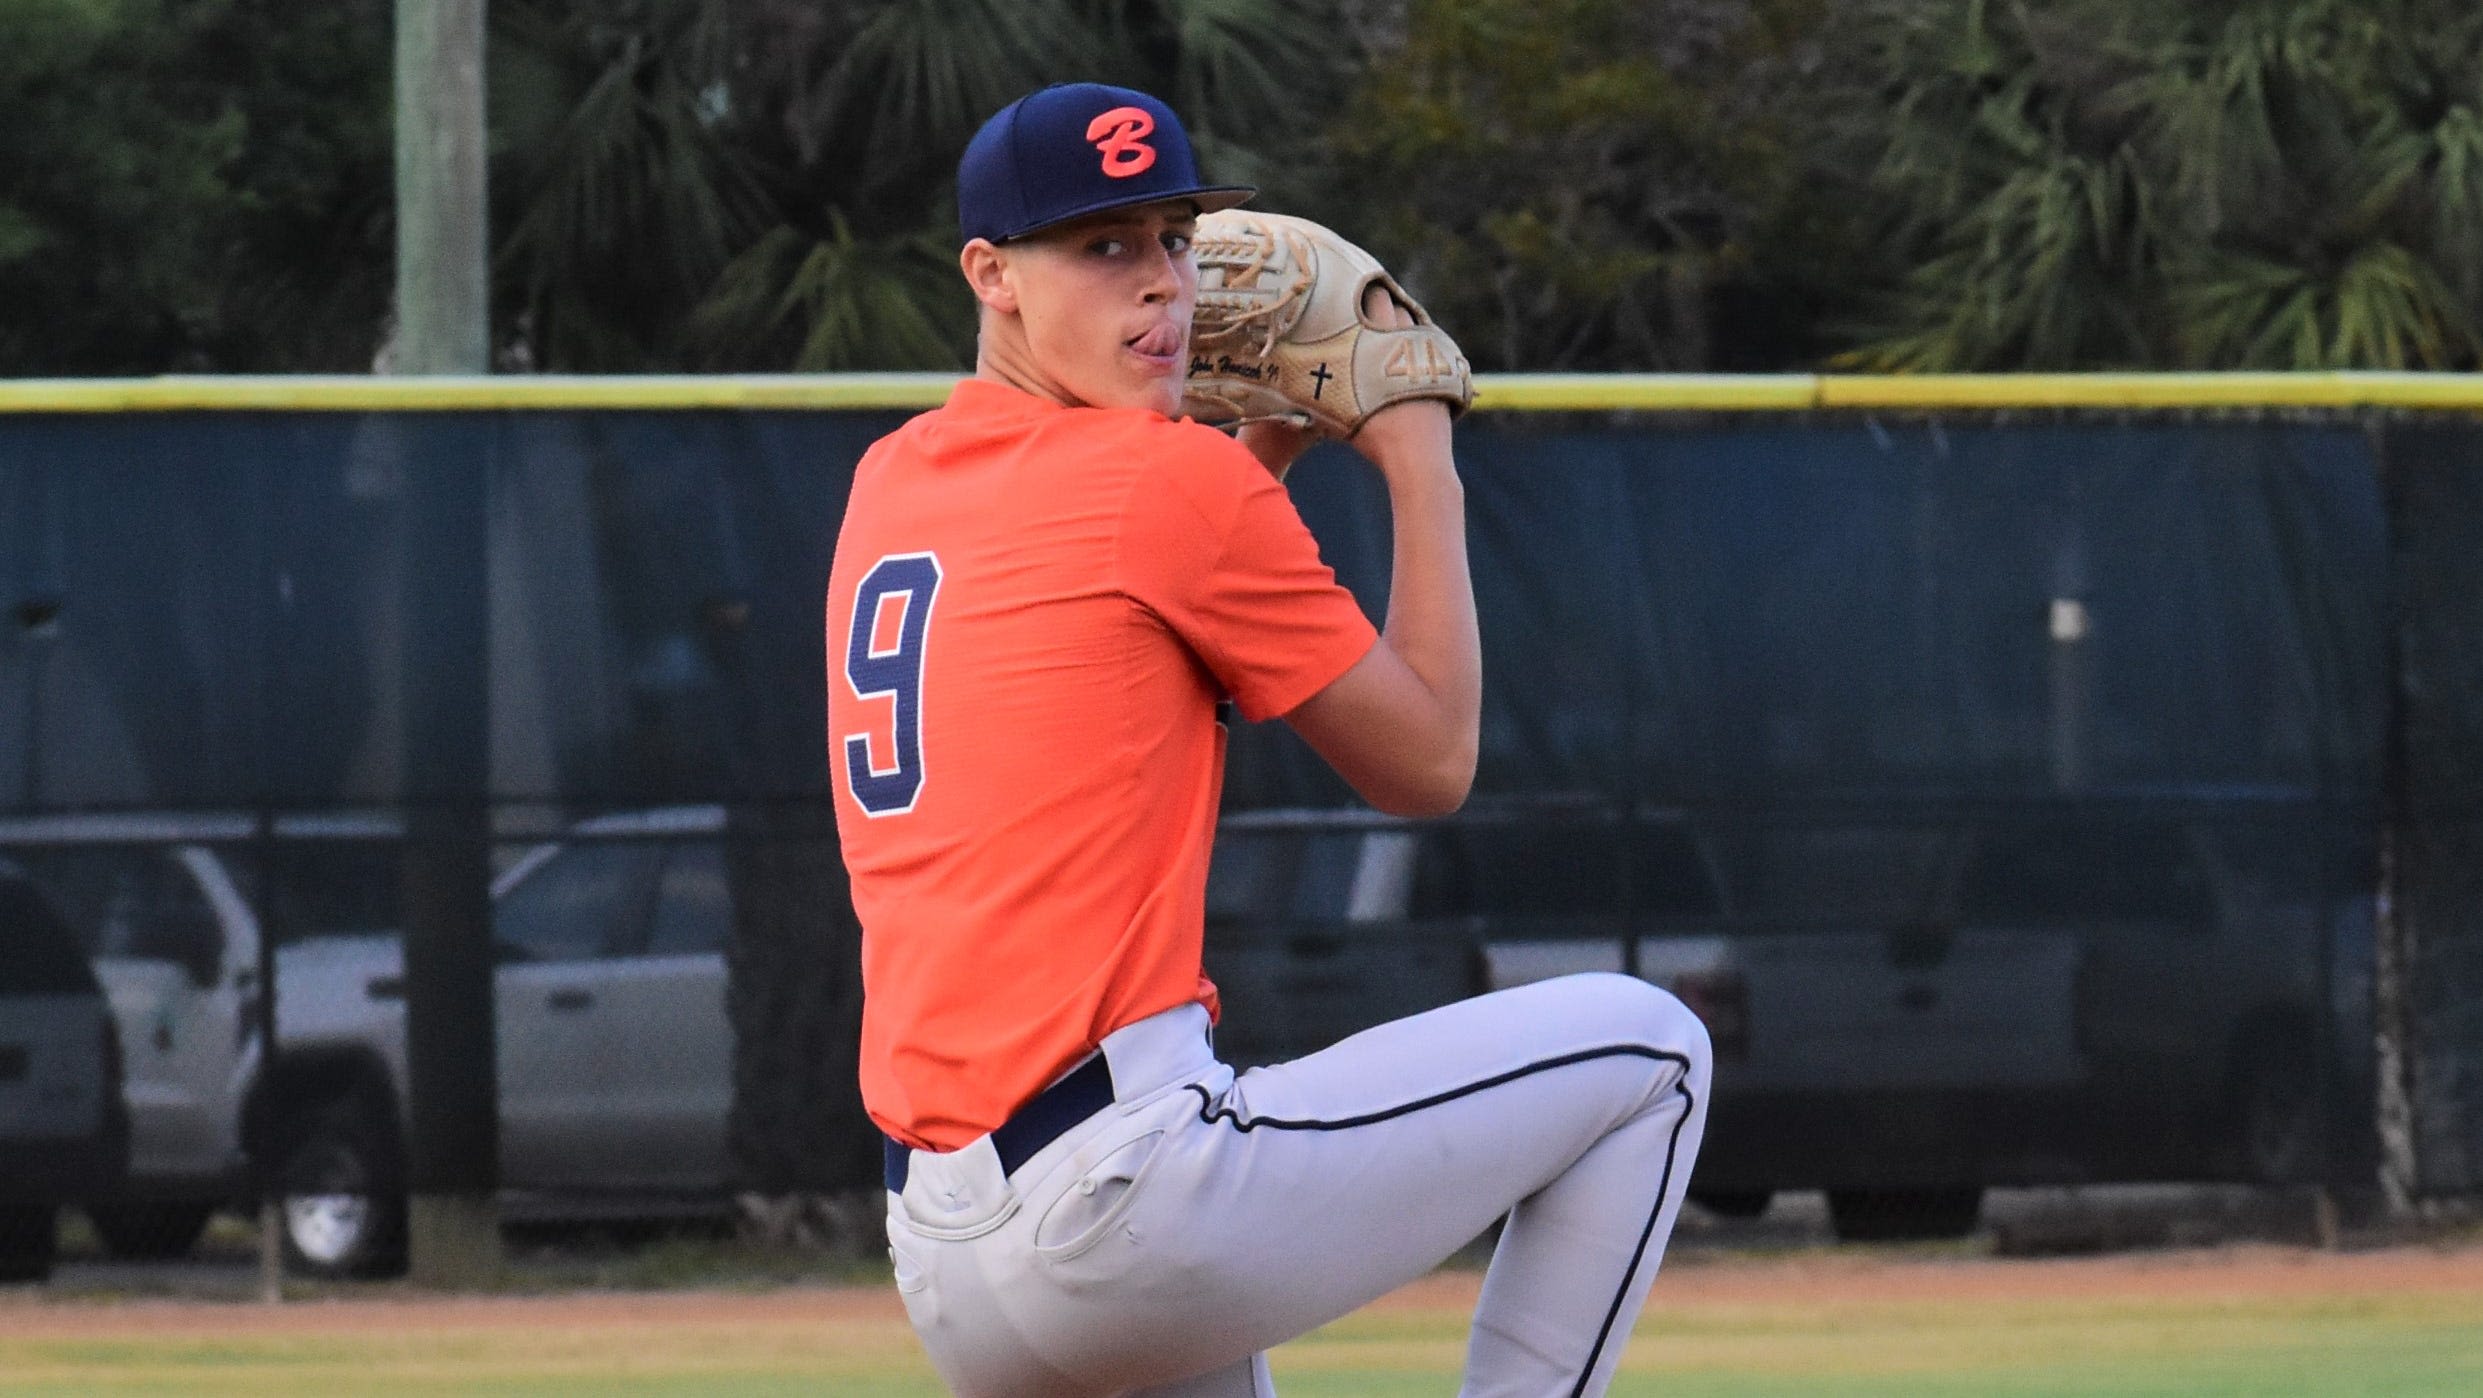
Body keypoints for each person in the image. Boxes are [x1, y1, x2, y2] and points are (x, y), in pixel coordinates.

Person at [825, 81, 1711, 1398]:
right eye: (1103, 246)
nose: (1162, 286)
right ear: (990, 273)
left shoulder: (893, 480)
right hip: (1130, 1195)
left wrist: (1258, 467)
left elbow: (1115, 666)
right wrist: (1419, 453)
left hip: (947, 1255)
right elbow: (1429, 764)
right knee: (1651, 1055)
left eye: (1175, 238)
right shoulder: (1172, 485)